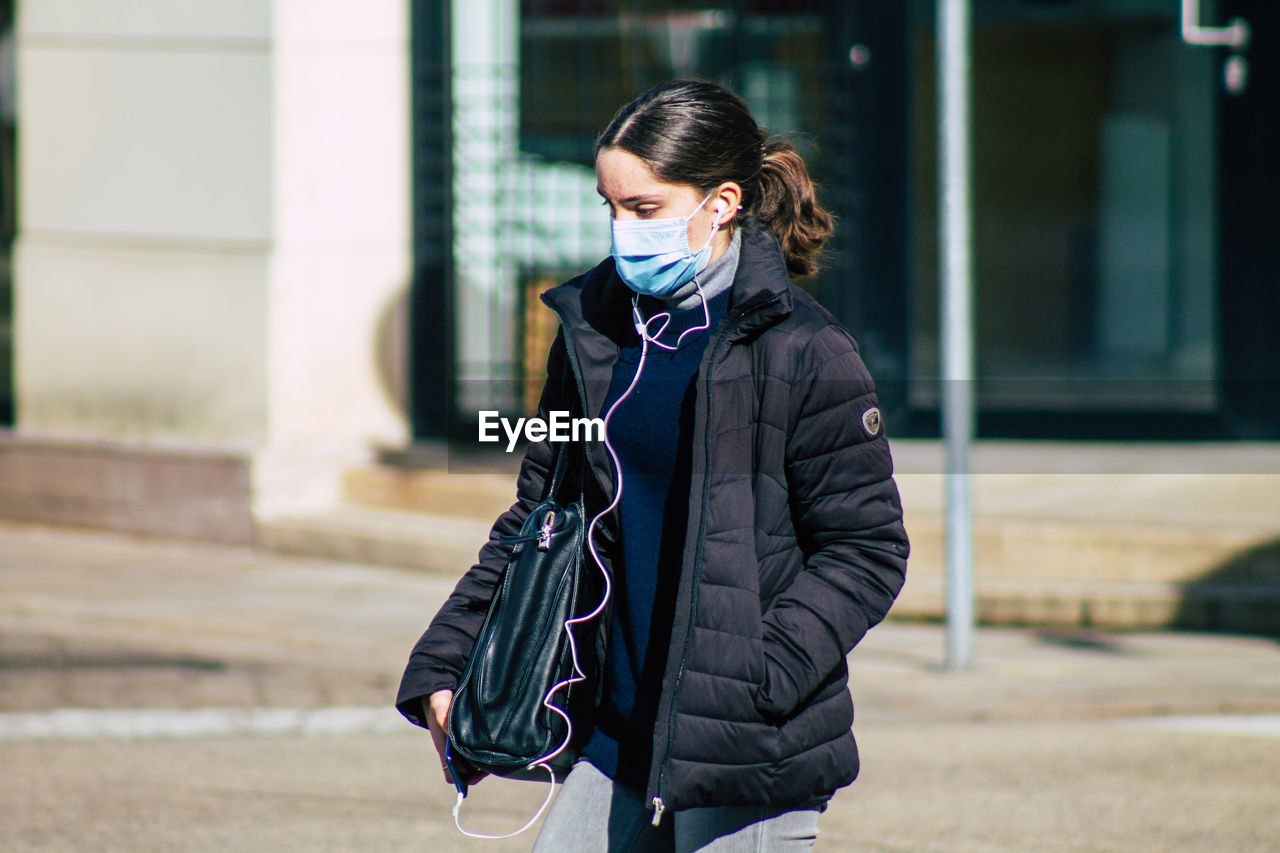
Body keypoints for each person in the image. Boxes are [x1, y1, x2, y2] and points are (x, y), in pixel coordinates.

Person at [396, 78, 909, 851]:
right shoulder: (592, 334)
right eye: (612, 208)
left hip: (739, 750)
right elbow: (540, 515)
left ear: (723, 202)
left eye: (645, 210)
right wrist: (450, 656)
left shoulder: (806, 350)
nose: (623, 231)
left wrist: (759, 672)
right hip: (609, 730)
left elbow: (867, 549)